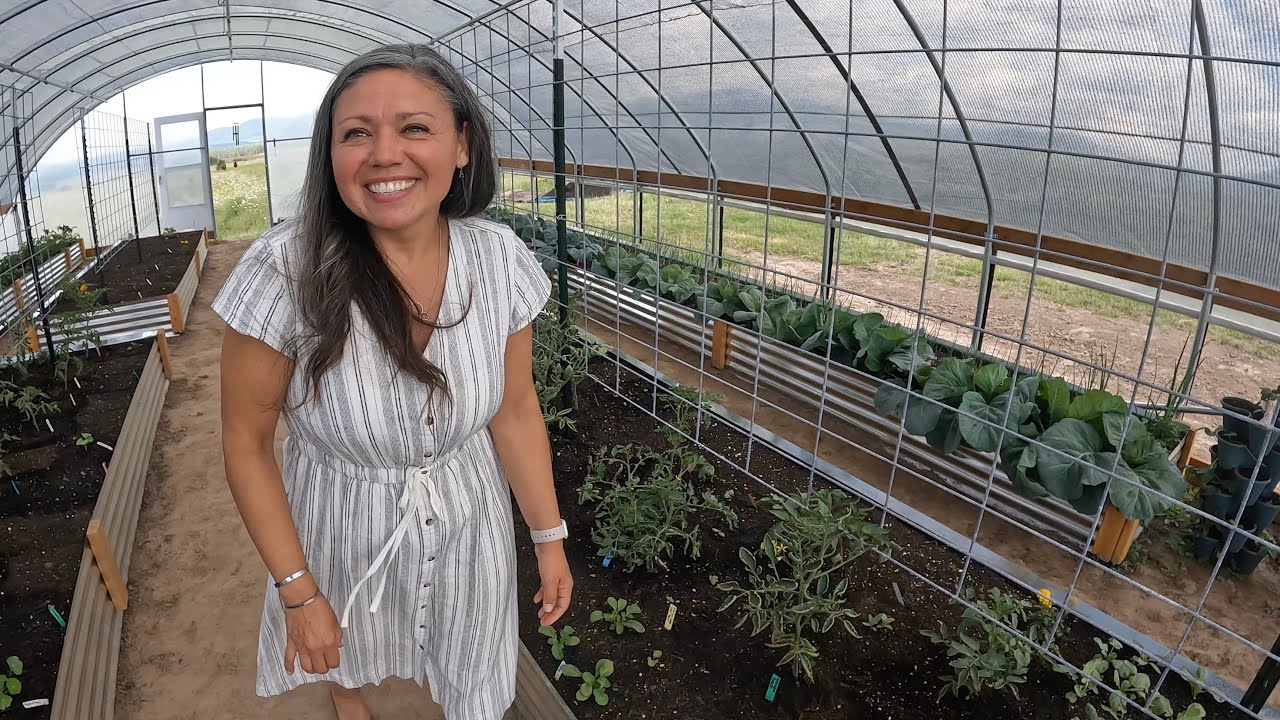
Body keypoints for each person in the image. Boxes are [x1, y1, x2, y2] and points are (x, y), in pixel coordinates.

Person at [212, 43, 573, 720]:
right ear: (330, 156)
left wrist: (547, 536)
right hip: (339, 516)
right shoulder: (285, 273)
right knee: (340, 642)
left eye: (415, 128)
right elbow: (247, 443)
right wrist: (298, 592)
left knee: (475, 659)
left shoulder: (498, 261)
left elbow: (515, 409)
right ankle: (348, 696)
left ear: (462, 146)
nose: (384, 155)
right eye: (356, 134)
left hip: (472, 516)